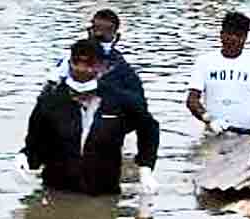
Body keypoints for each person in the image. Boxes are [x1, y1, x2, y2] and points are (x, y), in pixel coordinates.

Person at [17, 39, 160, 196]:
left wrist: (145, 169)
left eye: (90, 63)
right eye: (76, 62)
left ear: (103, 67)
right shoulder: (51, 101)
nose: (82, 69)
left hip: (104, 192)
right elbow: (36, 141)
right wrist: (24, 158)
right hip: (56, 190)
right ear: (69, 64)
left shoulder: (120, 101)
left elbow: (149, 129)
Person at [186, 11, 250, 134]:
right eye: (229, 34)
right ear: (221, 34)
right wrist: (209, 119)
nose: (233, 39)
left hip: (247, 135)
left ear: (245, 38)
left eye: (238, 35)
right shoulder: (204, 62)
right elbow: (192, 100)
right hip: (214, 133)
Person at [47, 9, 146, 104]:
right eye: (97, 28)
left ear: (116, 36)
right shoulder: (69, 59)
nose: (99, 33)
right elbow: (50, 90)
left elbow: (138, 102)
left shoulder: (122, 68)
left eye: (106, 30)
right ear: (89, 31)